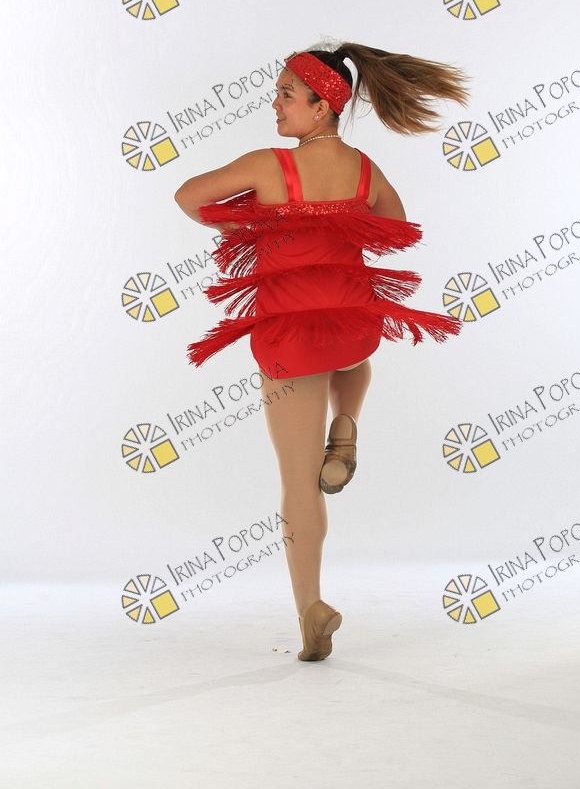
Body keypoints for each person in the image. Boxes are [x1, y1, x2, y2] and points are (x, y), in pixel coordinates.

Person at [174, 41, 471, 661]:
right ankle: (348, 427)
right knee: (355, 356)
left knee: (298, 485)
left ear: (321, 106)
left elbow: (188, 196)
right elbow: (396, 226)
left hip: (291, 342)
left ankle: (311, 608)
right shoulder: (363, 168)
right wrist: (338, 224)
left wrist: (252, 224)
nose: (275, 104)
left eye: (286, 94)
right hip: (352, 327)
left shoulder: (269, 166)